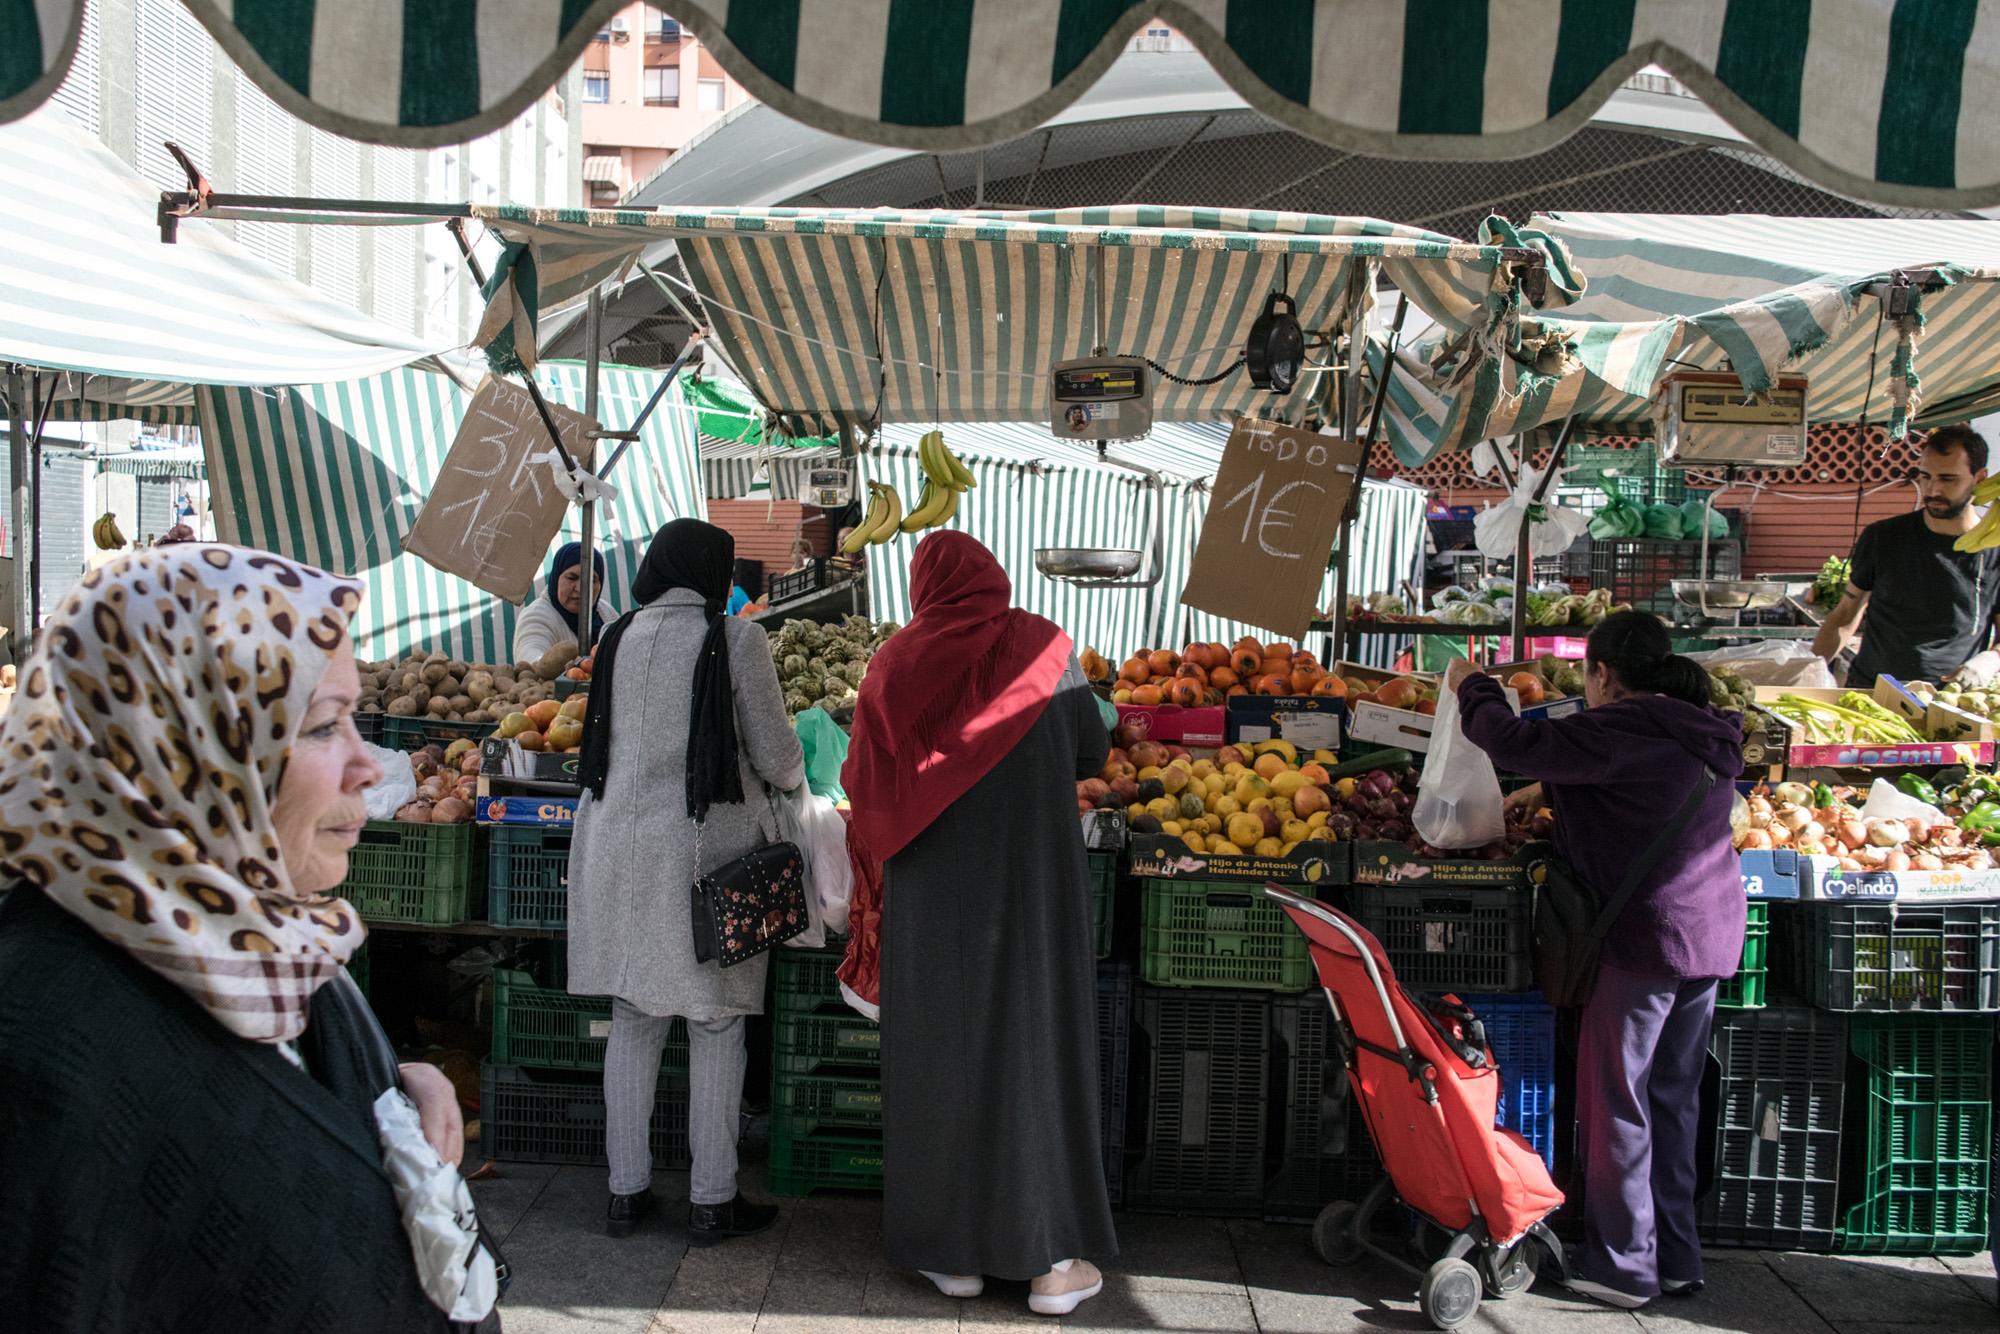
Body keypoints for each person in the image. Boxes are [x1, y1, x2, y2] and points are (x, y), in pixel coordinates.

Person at [0, 546, 491, 1331]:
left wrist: (385, 1098)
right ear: (182, 747)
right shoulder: (45, 1057)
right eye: (326, 726)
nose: (368, 765)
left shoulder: (270, 940)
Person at [842, 531, 1117, 1317]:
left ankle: (949, 1258)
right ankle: (1049, 1264)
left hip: (933, 898)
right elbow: (1091, 749)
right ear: (994, 578)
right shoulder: (1044, 648)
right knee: (1034, 1054)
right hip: (1033, 891)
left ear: (924, 585)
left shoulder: (894, 663)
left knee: (939, 1059)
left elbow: (861, 779)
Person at [1442, 612, 1744, 1311]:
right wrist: (1548, 791)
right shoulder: (1694, 727)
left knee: (1620, 1103)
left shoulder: (1618, 727)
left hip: (1643, 937)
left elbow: (1509, 739)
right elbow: (1641, 789)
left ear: (1602, 673)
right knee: (1671, 1100)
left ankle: (1623, 1266)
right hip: (1708, 934)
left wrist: (1473, 685)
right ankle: (1675, 1257)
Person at [567, 518, 803, 1245]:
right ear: (710, 569)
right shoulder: (736, 637)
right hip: (700, 852)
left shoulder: (617, 637)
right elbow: (772, 750)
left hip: (614, 846)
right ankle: (711, 1199)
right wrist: (798, 782)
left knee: (635, 1014)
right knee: (714, 1019)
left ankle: (623, 1191)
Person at [1814, 424, 2000, 687]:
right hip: (1871, 692)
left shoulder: (1993, 549)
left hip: (1949, 701)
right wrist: (1810, 673)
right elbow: (1844, 617)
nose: (1933, 490)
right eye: (1925, 476)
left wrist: (1990, 660)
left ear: (1980, 478)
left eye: (1948, 479)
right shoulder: (1883, 537)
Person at [513, 542, 615, 664]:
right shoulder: (536, 616)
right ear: (556, 578)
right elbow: (531, 656)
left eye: (591, 580)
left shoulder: (605, 612)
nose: (580, 589)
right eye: (572, 578)